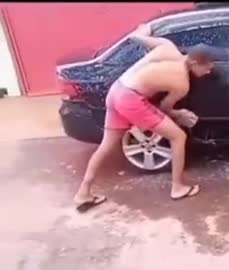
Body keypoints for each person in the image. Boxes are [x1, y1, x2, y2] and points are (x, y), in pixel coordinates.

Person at [74, 24, 216, 212]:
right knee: (178, 137)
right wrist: (179, 114)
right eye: (207, 68)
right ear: (196, 63)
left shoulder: (167, 46)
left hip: (116, 90)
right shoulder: (181, 83)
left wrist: (146, 28)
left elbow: (136, 37)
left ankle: (83, 192)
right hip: (131, 99)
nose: (209, 73)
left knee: (106, 146)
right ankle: (178, 187)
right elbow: (165, 108)